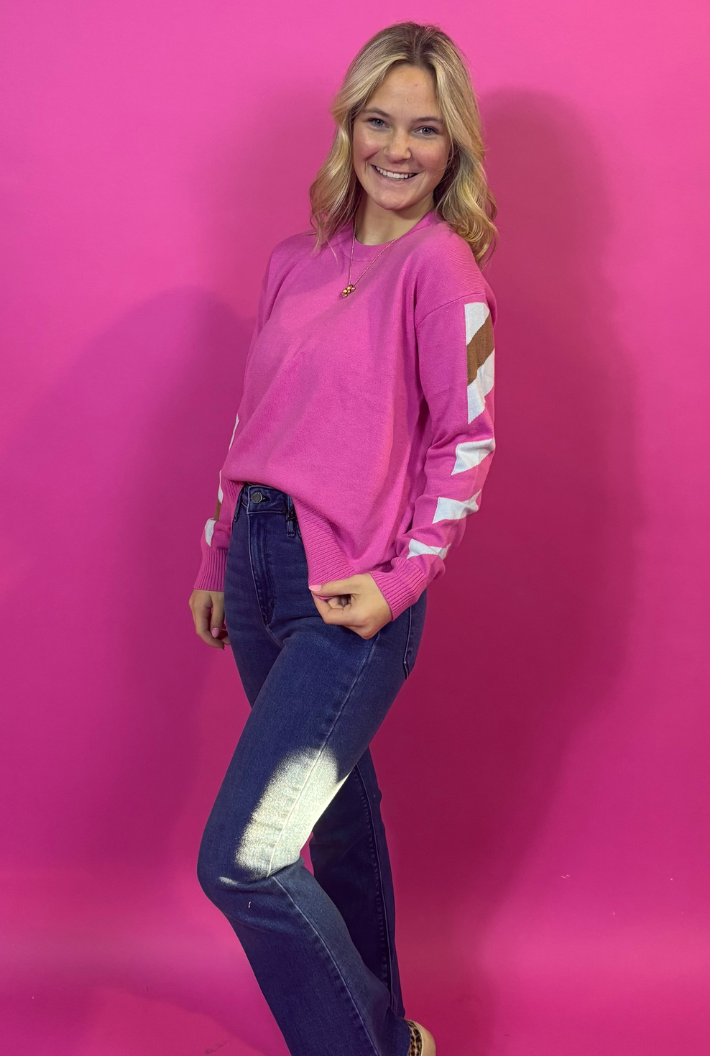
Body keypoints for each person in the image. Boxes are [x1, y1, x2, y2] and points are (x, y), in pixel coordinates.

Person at [188, 20, 498, 1056]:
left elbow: (467, 440)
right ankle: (389, 1036)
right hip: (256, 566)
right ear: (348, 126)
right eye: (379, 121)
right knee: (339, 826)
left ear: (452, 147)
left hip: (349, 588)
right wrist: (216, 557)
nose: (397, 149)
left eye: (425, 129)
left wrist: (402, 582)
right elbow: (255, 418)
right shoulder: (295, 260)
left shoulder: (442, 270)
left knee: (244, 857)